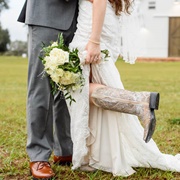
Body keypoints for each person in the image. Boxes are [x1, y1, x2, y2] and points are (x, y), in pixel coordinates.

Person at [68, 0, 180, 176]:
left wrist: (94, 40)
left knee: (75, 86)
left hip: (91, 30)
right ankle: (97, 153)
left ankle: (138, 102)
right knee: (81, 87)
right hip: (100, 25)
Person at [17, 0, 79, 179]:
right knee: (41, 87)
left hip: (78, 18)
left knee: (69, 85)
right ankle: (38, 156)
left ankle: (65, 149)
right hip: (46, 15)